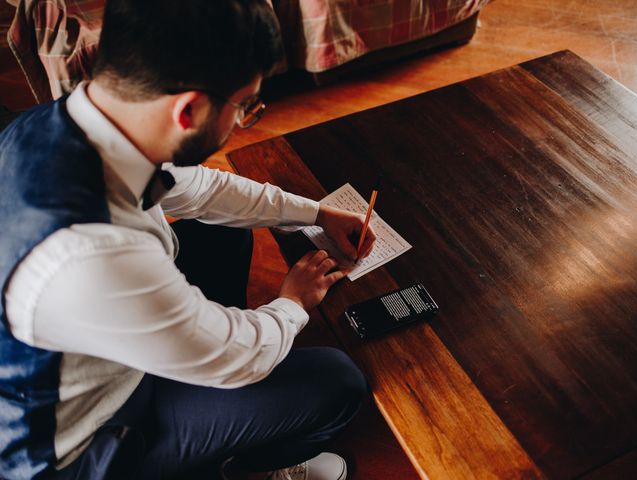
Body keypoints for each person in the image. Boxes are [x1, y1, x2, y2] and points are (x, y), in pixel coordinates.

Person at [0, 1, 376, 479]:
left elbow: (203, 189)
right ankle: (241, 466)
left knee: (226, 235)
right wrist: (292, 304)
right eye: (245, 107)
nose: (243, 119)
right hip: (87, 445)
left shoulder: (82, 117)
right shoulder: (91, 252)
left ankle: (210, 395)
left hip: (100, 348)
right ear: (189, 109)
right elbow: (238, 358)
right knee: (336, 382)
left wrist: (316, 211)